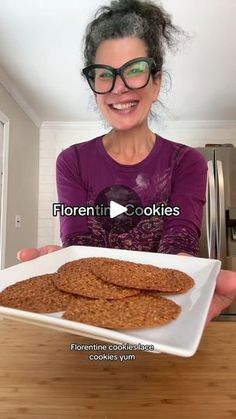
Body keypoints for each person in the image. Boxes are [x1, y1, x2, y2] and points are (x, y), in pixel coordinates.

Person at [17, 0, 235, 323]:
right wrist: (66, 266)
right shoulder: (71, 162)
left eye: (134, 70)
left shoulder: (188, 162)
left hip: (162, 323)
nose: (119, 87)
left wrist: (184, 295)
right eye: (105, 75)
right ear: (95, 89)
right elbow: (79, 246)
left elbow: (178, 245)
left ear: (157, 82)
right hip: (94, 323)